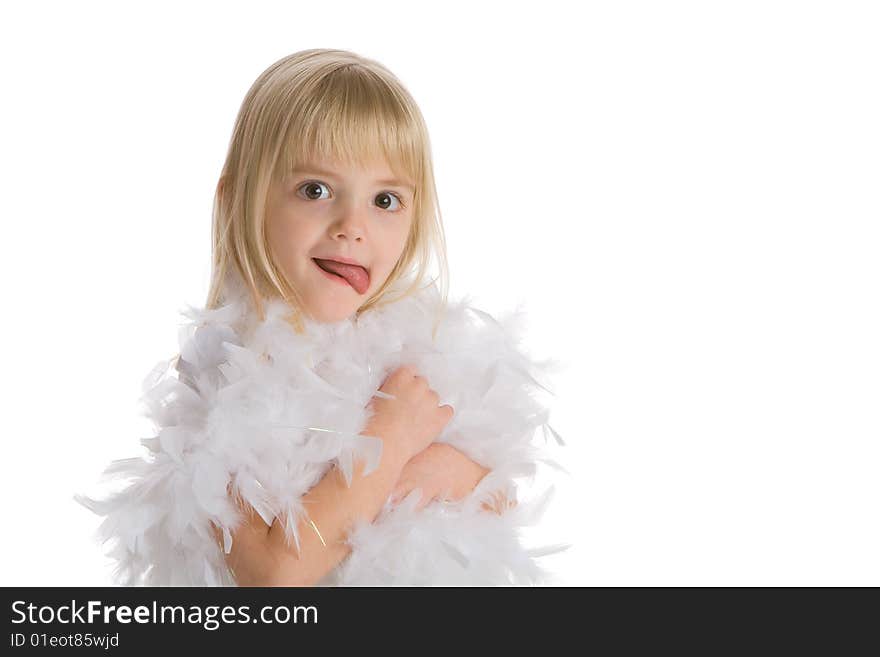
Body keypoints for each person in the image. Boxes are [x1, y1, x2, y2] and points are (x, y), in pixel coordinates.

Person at [75, 48, 567, 586]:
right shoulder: (225, 383)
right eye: (316, 190)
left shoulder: (413, 360)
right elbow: (272, 578)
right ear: (241, 198)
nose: (353, 226)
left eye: (385, 200)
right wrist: (391, 443)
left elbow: (498, 513)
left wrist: (456, 472)